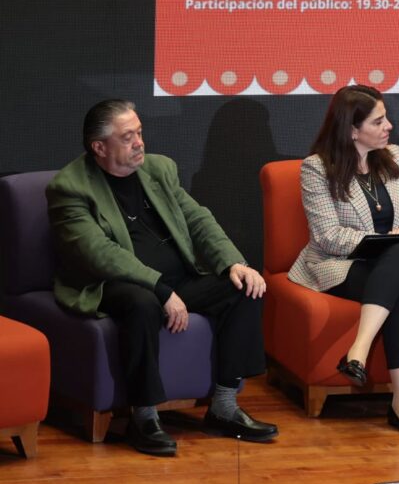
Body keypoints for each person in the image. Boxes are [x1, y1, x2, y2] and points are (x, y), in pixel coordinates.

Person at [46, 100, 278, 456]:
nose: (140, 142)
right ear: (99, 147)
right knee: (141, 303)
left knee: (243, 288)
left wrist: (233, 262)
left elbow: (199, 219)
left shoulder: (159, 170)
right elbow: (97, 253)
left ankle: (224, 406)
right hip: (112, 283)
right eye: (128, 137)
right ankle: (144, 417)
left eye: (139, 132)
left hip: (177, 280)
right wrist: (159, 288)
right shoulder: (70, 187)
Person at [288, 85, 399, 438]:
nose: (389, 125)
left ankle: (358, 352)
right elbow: (327, 236)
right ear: (351, 129)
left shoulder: (394, 158)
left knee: (398, 255)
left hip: (396, 261)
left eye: (386, 117)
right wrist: (387, 241)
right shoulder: (317, 169)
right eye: (378, 121)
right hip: (344, 264)